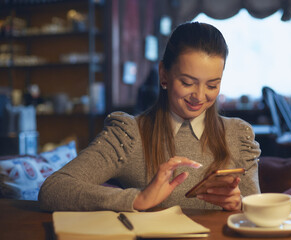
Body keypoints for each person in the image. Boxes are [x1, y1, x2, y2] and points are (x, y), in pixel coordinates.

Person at [39, 22, 261, 212]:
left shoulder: (238, 136)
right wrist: (138, 199)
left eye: (212, 84)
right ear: (164, 74)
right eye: (187, 82)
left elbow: (257, 209)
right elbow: (54, 189)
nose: (200, 96)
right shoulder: (128, 135)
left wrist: (239, 205)